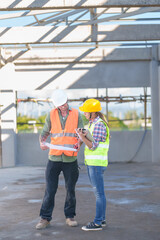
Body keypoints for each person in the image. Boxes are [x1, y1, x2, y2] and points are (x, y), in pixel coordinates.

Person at [36, 89, 84, 230]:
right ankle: (45, 218)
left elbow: (81, 134)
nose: (62, 107)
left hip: (70, 159)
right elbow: (44, 132)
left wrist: (79, 143)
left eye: (63, 104)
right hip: (54, 157)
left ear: (67, 100)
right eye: (59, 105)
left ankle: (70, 216)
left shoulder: (76, 114)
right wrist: (41, 142)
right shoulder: (51, 114)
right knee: (50, 190)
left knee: (70, 189)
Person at [77, 98, 110, 231]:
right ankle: (101, 220)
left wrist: (82, 137)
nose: (84, 113)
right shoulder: (92, 124)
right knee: (99, 193)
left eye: (86, 112)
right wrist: (82, 135)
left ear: (93, 112)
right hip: (93, 163)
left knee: (99, 194)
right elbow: (91, 141)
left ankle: (97, 223)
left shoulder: (98, 125)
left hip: (96, 164)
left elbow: (92, 146)